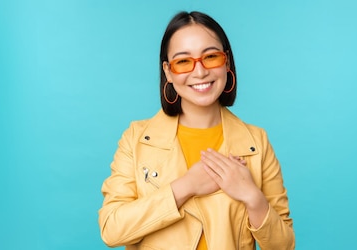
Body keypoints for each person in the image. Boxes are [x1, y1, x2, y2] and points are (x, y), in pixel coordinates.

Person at [98, 11, 295, 249]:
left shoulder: (256, 142)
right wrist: (186, 186)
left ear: (227, 62)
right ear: (168, 72)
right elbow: (111, 230)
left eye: (211, 57)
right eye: (183, 61)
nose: (200, 72)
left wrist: (253, 198)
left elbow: (284, 245)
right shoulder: (136, 138)